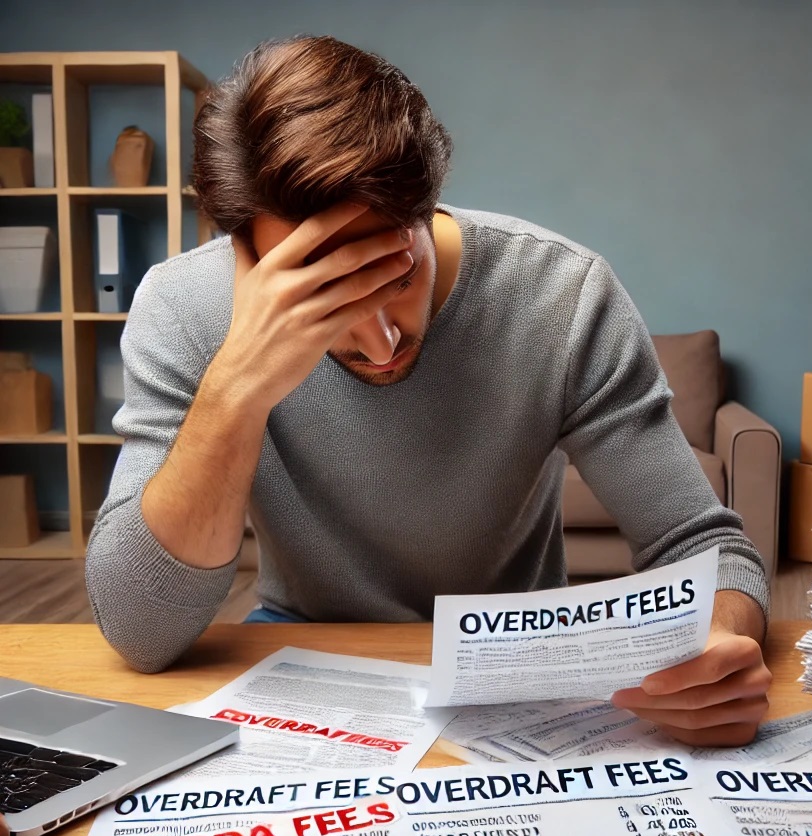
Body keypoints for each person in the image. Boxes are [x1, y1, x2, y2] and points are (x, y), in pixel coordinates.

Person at [85, 35, 772, 747]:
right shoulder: (182, 308)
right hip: (304, 645)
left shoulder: (562, 295)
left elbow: (705, 543)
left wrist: (719, 646)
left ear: (426, 208)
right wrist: (234, 390)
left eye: (396, 275)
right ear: (245, 258)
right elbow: (140, 631)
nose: (381, 344)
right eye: (323, 300)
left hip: (521, 656)